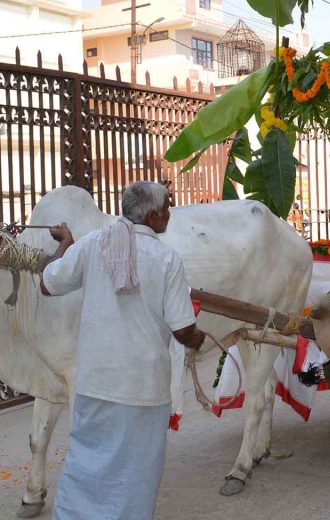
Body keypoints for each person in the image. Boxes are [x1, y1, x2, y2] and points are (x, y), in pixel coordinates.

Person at [41, 181, 205, 520]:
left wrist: (66, 245)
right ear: (153, 216)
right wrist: (196, 339)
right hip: (142, 390)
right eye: (166, 208)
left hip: (95, 383)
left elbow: (47, 282)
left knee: (85, 466)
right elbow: (182, 329)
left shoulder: (91, 245)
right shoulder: (166, 259)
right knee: (135, 476)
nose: (169, 214)